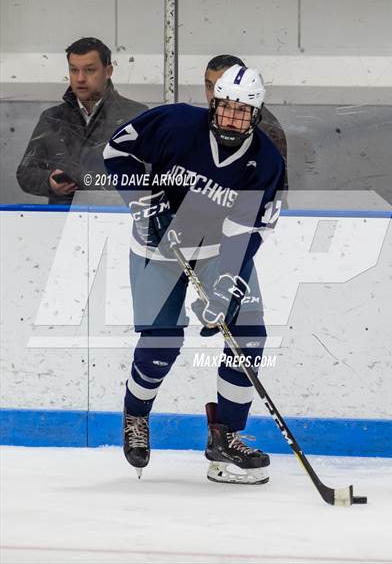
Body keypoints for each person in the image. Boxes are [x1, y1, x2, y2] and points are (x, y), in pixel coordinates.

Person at [104, 65, 285, 485]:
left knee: (249, 336)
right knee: (162, 341)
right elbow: (116, 153)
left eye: (242, 113)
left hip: (218, 251)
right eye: (225, 109)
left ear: (256, 116)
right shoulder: (175, 123)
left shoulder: (266, 162)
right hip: (155, 247)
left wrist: (225, 283)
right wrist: (142, 200)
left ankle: (226, 438)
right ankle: (136, 413)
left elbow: (251, 230)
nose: (231, 119)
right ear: (213, 103)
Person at [16, 37, 147, 205]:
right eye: (73, 70)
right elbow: (25, 173)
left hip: (116, 219)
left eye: (90, 70)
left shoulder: (136, 115)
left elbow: (154, 173)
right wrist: (49, 180)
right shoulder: (52, 118)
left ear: (108, 71)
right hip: (63, 222)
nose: (80, 78)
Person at [205, 54, 288, 182]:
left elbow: (277, 187)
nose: (215, 94)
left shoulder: (267, 130)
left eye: (221, 85)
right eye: (210, 86)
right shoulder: (205, 120)